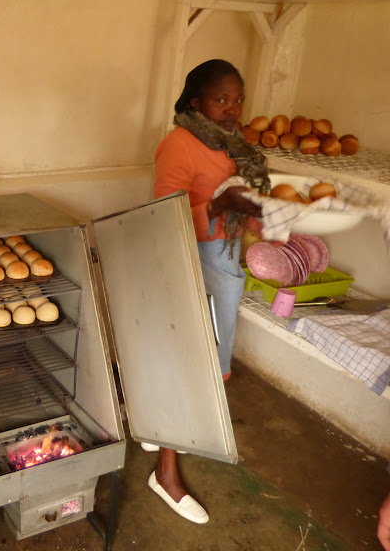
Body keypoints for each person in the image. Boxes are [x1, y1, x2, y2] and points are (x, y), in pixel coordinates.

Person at [147, 59, 269, 524]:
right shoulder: (178, 145)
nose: (233, 108)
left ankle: (165, 433)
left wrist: (276, 226)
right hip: (187, 260)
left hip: (222, 258)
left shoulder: (236, 146)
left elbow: (247, 205)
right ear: (196, 101)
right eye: (221, 99)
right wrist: (218, 204)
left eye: (238, 99)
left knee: (212, 364)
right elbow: (164, 217)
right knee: (189, 360)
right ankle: (165, 473)